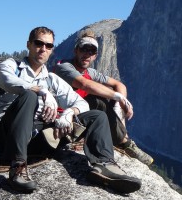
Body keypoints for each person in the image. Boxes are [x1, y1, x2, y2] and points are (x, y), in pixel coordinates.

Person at [0, 26, 141, 194]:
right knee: (29, 96)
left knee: (97, 115)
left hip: (36, 139)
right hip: (7, 137)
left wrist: (70, 113)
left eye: (48, 46)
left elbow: (80, 102)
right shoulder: (12, 66)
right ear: (29, 45)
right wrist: (41, 91)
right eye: (38, 43)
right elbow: (6, 81)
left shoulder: (51, 79)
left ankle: (104, 164)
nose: (43, 49)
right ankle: (17, 167)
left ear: (51, 50)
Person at [53, 31, 153, 166]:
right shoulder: (64, 67)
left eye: (92, 51)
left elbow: (119, 84)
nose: (87, 54)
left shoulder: (90, 72)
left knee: (110, 98)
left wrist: (119, 103)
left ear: (95, 56)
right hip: (63, 118)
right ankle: (124, 143)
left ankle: (122, 139)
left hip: (79, 117)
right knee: (98, 99)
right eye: (84, 49)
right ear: (76, 50)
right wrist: (117, 96)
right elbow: (84, 84)